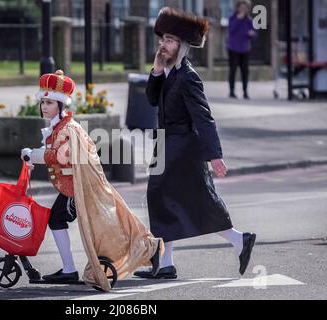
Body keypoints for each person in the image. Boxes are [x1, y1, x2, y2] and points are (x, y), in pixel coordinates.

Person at [133, 7, 256, 280]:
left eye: (169, 40)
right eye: (162, 39)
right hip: (167, 145)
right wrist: (155, 70)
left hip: (183, 148)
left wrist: (215, 155)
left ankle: (168, 262)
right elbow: (152, 99)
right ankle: (172, 262)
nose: (163, 45)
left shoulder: (188, 77)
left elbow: (204, 118)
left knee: (175, 199)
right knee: (185, 201)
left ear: (182, 45)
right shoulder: (168, 72)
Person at [21, 70, 163, 291]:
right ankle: (147, 249)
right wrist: (34, 155)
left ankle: (71, 269)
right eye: (43, 102)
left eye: (49, 102)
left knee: (88, 224)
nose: (44, 107)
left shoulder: (68, 128)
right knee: (104, 224)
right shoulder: (60, 126)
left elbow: (60, 155)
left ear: (61, 104)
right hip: (73, 187)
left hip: (77, 189)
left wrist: (33, 154)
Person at [227, 0, 257, 99]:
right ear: (238, 8)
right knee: (233, 70)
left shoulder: (249, 20)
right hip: (233, 48)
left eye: (245, 8)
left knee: (245, 71)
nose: (243, 9)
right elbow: (231, 30)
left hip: (245, 49)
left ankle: (245, 92)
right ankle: (231, 91)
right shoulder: (232, 18)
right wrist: (238, 19)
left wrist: (252, 34)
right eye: (242, 7)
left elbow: (255, 34)